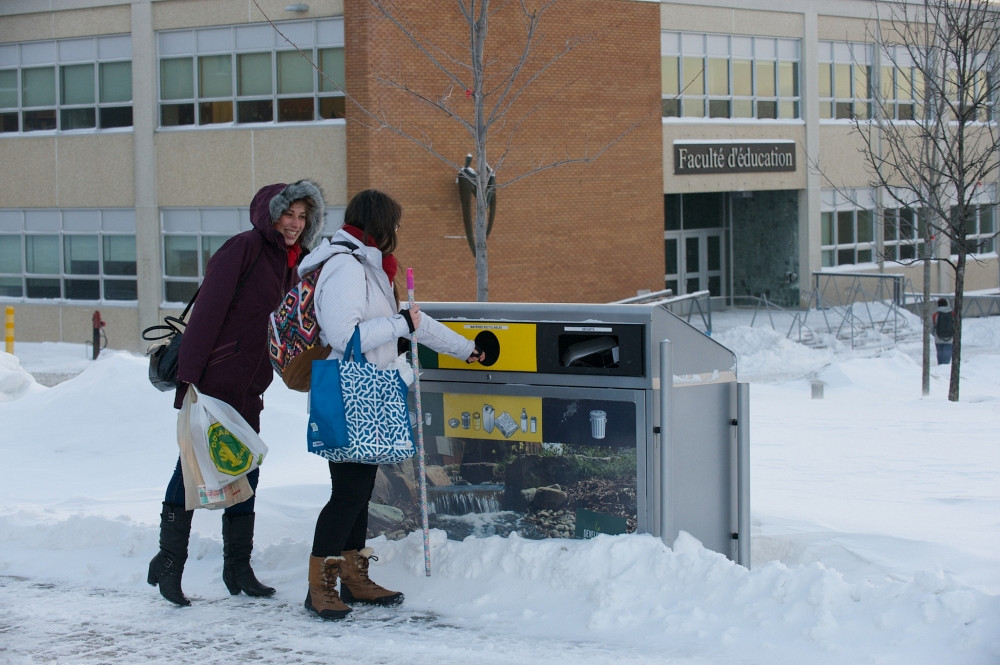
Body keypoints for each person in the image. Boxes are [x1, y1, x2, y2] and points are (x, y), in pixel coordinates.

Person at [299, 188, 486, 621]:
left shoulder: (369, 267)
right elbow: (348, 337)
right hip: (349, 394)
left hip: (369, 392)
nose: (397, 232)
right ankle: (320, 586)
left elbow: (413, 322)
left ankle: (354, 577)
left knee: (359, 493)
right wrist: (400, 324)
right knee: (347, 494)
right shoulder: (345, 267)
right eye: (395, 224)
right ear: (379, 225)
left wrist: (465, 348)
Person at [147, 179, 327, 606]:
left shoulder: (295, 262)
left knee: (245, 467)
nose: (295, 224)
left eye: (303, 217)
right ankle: (170, 562)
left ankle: (237, 567)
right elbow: (208, 312)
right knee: (192, 469)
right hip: (216, 379)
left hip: (252, 384)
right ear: (271, 212)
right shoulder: (242, 248)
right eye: (289, 214)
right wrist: (189, 378)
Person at [932, 297, 955, 365]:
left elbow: (932, 327)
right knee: (947, 356)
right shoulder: (952, 314)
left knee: (940, 354)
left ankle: (940, 368)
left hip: (938, 338)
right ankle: (944, 369)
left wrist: (935, 335)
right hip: (950, 338)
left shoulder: (935, 315)